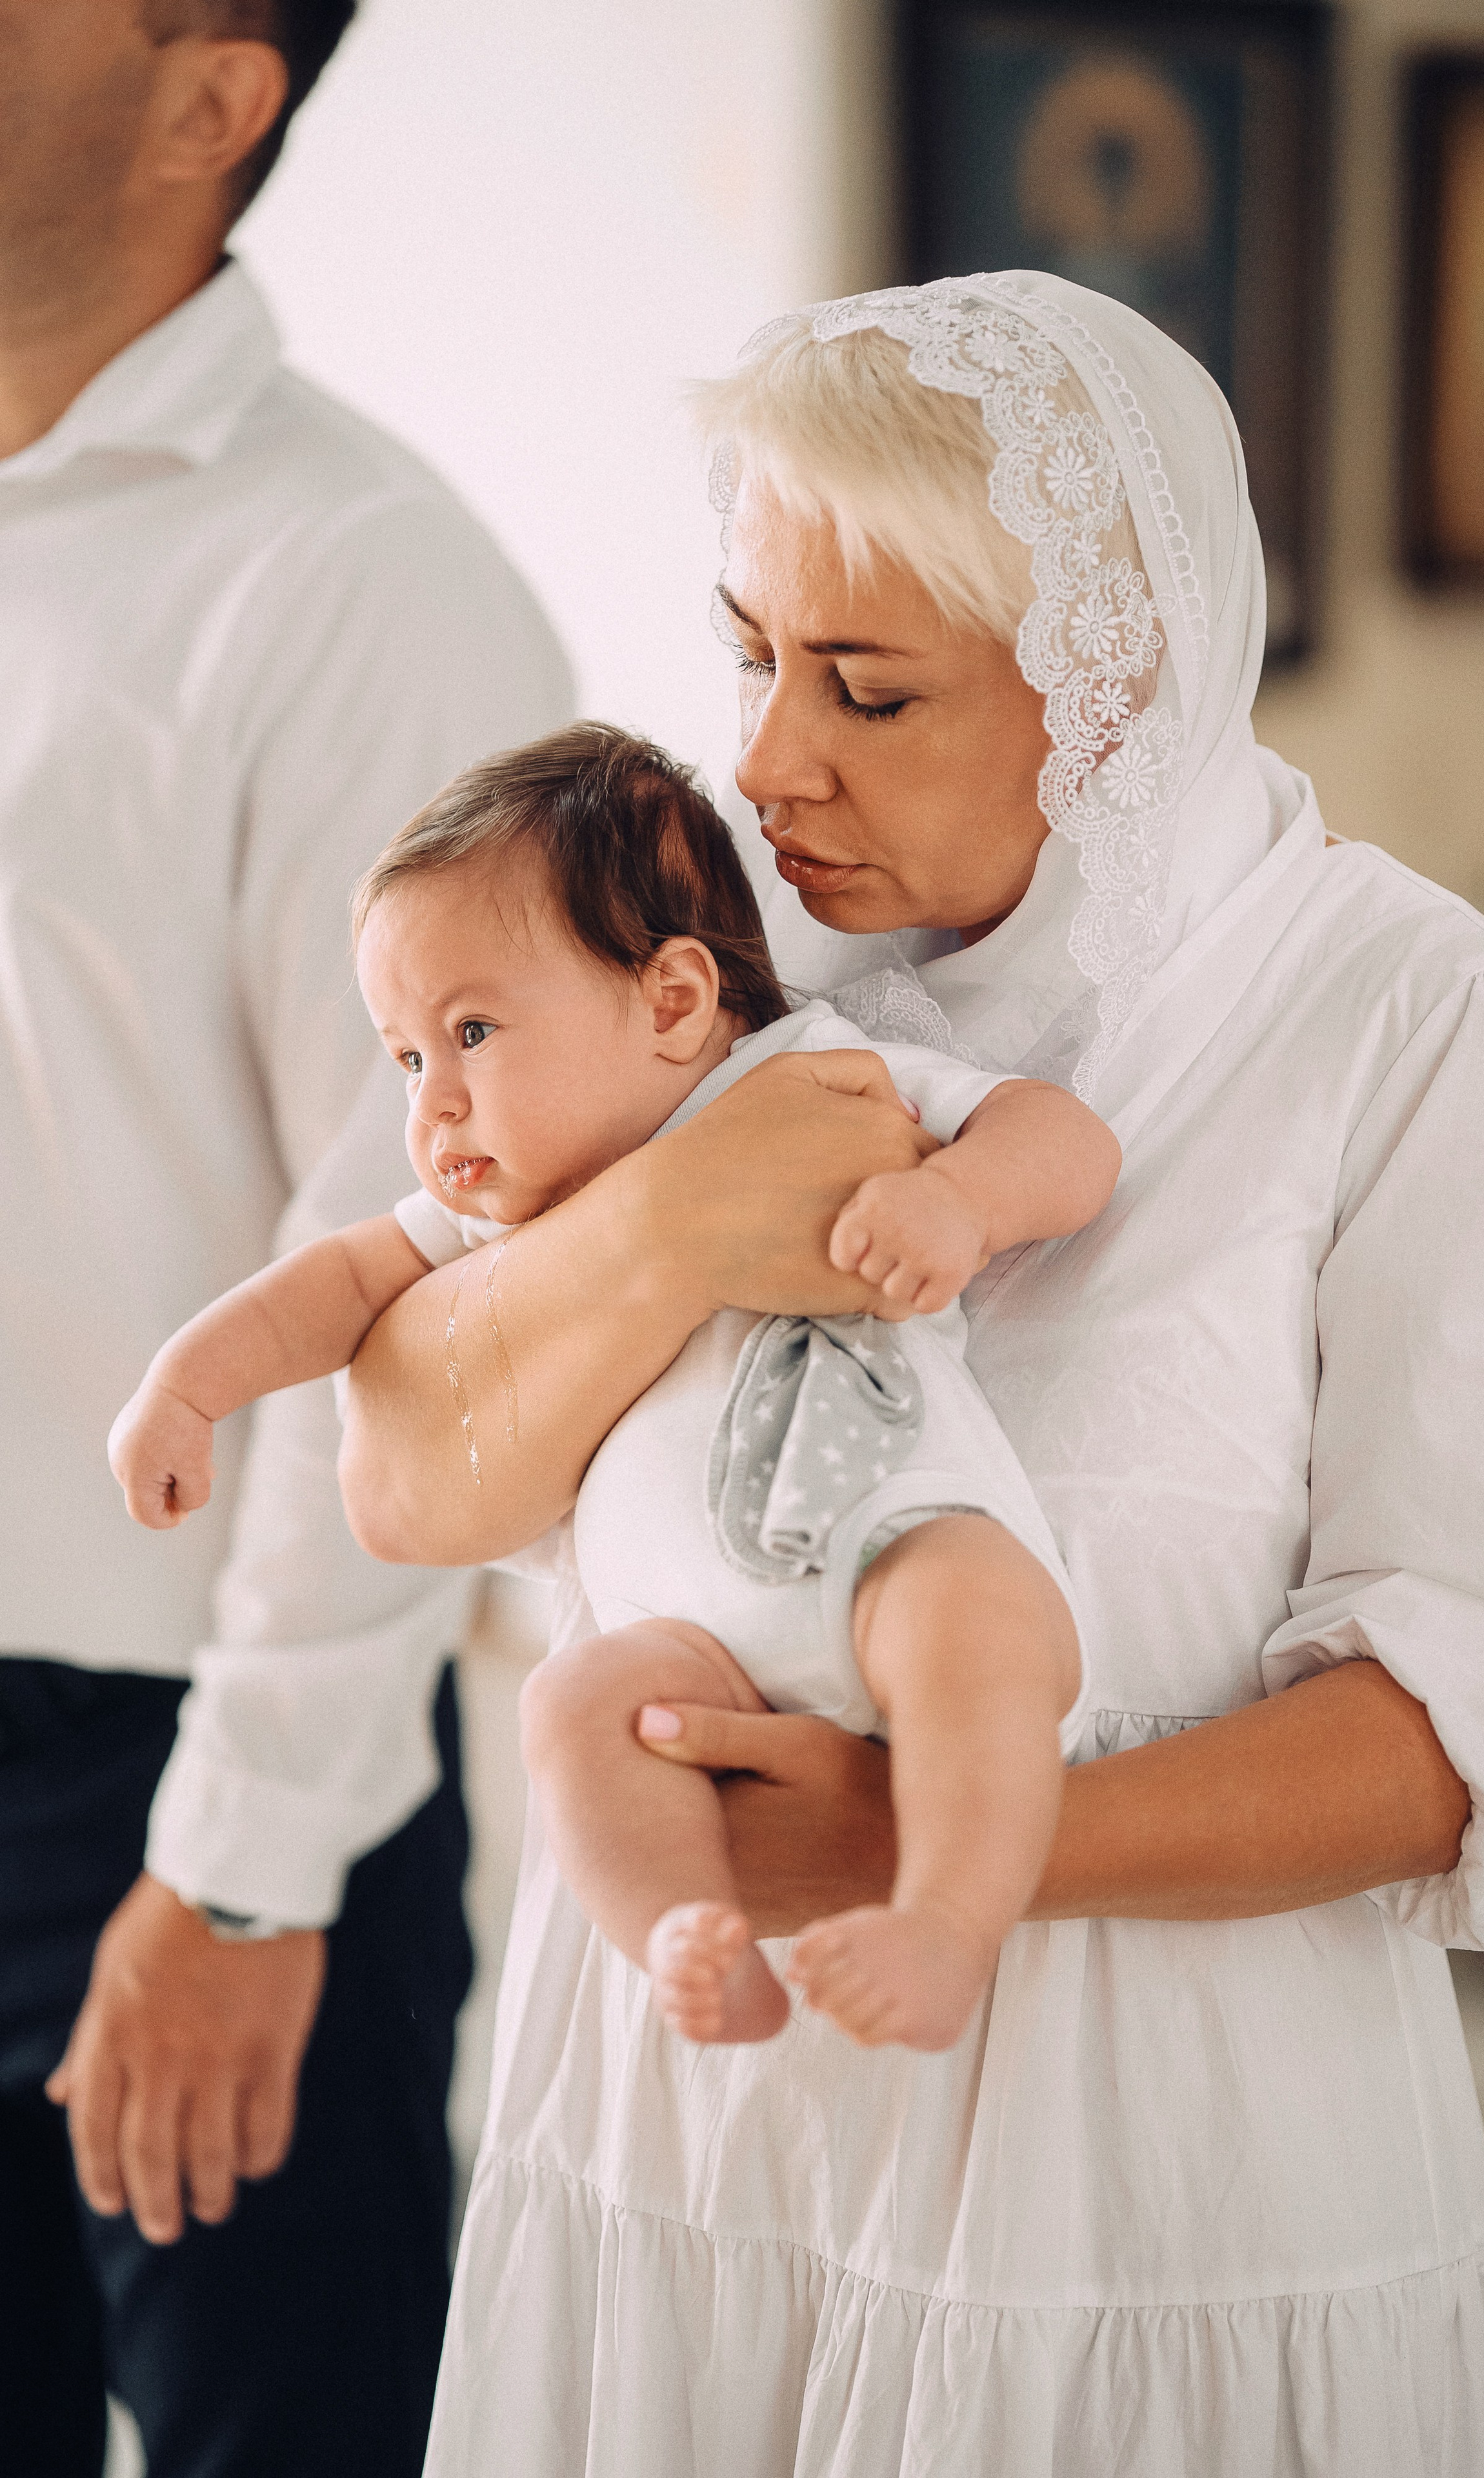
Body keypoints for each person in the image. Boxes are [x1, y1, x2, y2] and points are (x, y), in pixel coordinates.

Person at [344, 276, 1484, 2477]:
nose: (770, 758)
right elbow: (406, 1477)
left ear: (1116, 687)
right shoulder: (699, 965)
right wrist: (675, 1219)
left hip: (1130, 2175)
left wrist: (925, 1849)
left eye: (867, 688)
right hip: (690, 2128)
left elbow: (1467, 1739)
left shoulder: (1433, 1038)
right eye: (750, 652)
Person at [0, 6, 572, 2474]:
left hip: (177, 1770)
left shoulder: (368, 587)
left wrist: (240, 1875)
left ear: (207, 103)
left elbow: (429, 1275)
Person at [109, 723, 1116, 2052]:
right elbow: (336, 1284)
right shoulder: (500, 1215)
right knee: (572, 1709)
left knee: (974, 1627)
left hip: (887, 1541)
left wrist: (961, 1200)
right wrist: (188, 1386)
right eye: (407, 1058)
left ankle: (947, 1925)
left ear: (674, 1002)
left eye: (471, 1032)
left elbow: (1063, 1138)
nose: (434, 1104)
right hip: (688, 1643)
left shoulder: (808, 1079)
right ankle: (685, 1938)